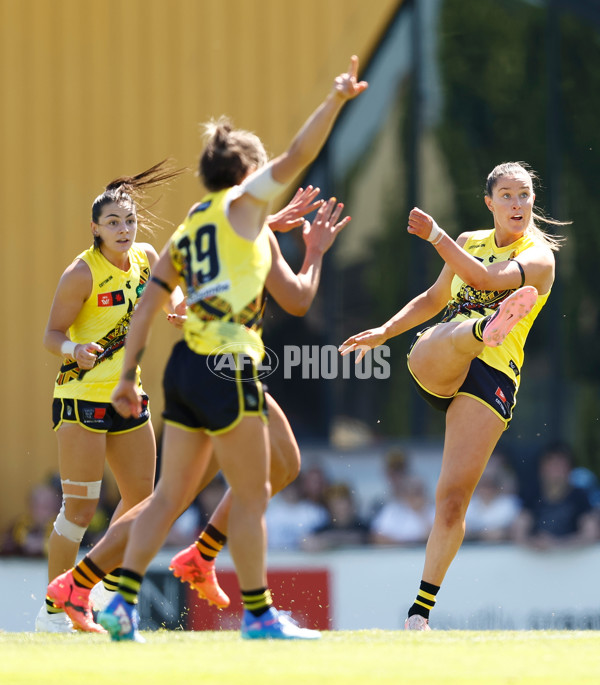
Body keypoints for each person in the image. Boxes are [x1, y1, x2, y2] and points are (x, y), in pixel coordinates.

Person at [48, 56, 367, 641]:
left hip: (186, 368)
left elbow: (152, 303)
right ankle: (259, 616)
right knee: (250, 493)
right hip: (227, 364)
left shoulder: (196, 222)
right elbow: (298, 163)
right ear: (249, 172)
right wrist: (336, 100)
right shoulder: (248, 205)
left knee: (224, 480)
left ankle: (121, 592)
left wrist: (127, 376)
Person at [341, 161, 564, 630]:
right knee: (450, 333)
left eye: (524, 195)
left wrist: (435, 236)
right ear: (490, 203)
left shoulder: (540, 257)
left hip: (494, 379)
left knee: (452, 500)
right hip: (441, 360)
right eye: (506, 195)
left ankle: (419, 613)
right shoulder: (468, 242)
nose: (517, 204)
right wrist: (384, 330)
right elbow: (434, 298)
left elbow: (484, 281)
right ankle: (484, 328)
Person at [36, 162, 183, 633]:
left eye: (129, 221)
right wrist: (73, 349)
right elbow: (51, 334)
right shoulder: (81, 273)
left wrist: (177, 310)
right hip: (81, 398)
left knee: (144, 499)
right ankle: (53, 611)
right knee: (79, 510)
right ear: (95, 229)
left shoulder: (143, 257)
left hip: (127, 395)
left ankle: (91, 583)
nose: (124, 230)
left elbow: (168, 296)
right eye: (113, 223)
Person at [512, 442, 599, 549]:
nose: (555, 470)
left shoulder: (580, 496)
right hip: (536, 560)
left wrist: (558, 544)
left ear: (570, 469)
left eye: (560, 464)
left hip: (572, 560)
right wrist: (534, 543)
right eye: (551, 464)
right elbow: (518, 532)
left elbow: (591, 533)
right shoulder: (532, 495)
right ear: (541, 469)